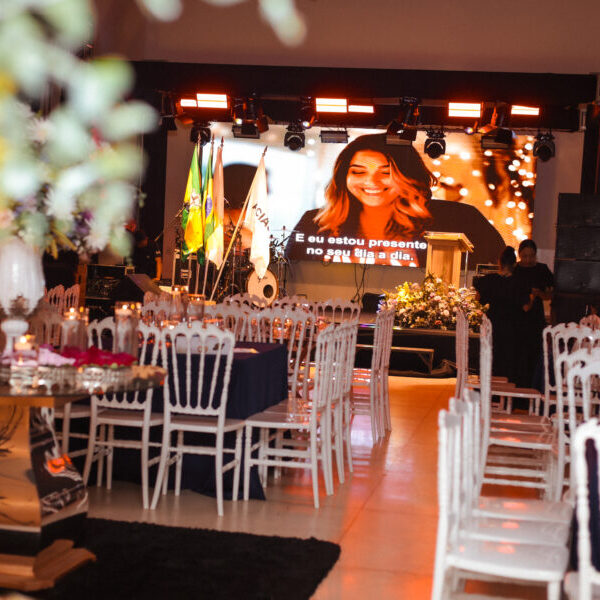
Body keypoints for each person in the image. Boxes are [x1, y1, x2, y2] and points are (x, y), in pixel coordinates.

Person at [285, 133, 505, 266]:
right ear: (343, 177)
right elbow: (290, 270)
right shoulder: (313, 223)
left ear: (407, 177)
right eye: (358, 172)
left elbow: (498, 266)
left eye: (386, 172)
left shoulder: (460, 219)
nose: (371, 182)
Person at [473, 246, 530, 382]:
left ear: (500, 262)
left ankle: (489, 384)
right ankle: (507, 385)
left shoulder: (489, 280)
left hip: (494, 324)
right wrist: (533, 297)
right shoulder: (520, 283)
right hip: (513, 327)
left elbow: (478, 299)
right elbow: (526, 307)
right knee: (509, 359)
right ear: (514, 264)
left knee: (492, 355)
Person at [511, 238, 554, 387]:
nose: (528, 260)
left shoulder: (542, 269)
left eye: (531, 256)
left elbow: (549, 295)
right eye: (525, 256)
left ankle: (532, 387)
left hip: (535, 318)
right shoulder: (514, 270)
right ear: (519, 255)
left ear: (536, 255)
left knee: (534, 353)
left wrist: (539, 294)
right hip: (517, 317)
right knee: (517, 353)